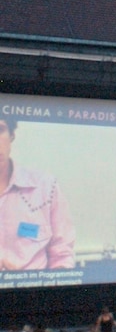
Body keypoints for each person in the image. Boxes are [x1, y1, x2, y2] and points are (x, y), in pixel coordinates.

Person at [0, 115, 76, 269]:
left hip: (32, 291)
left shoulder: (45, 187)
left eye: (0, 130)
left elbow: (62, 255)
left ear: (12, 135)